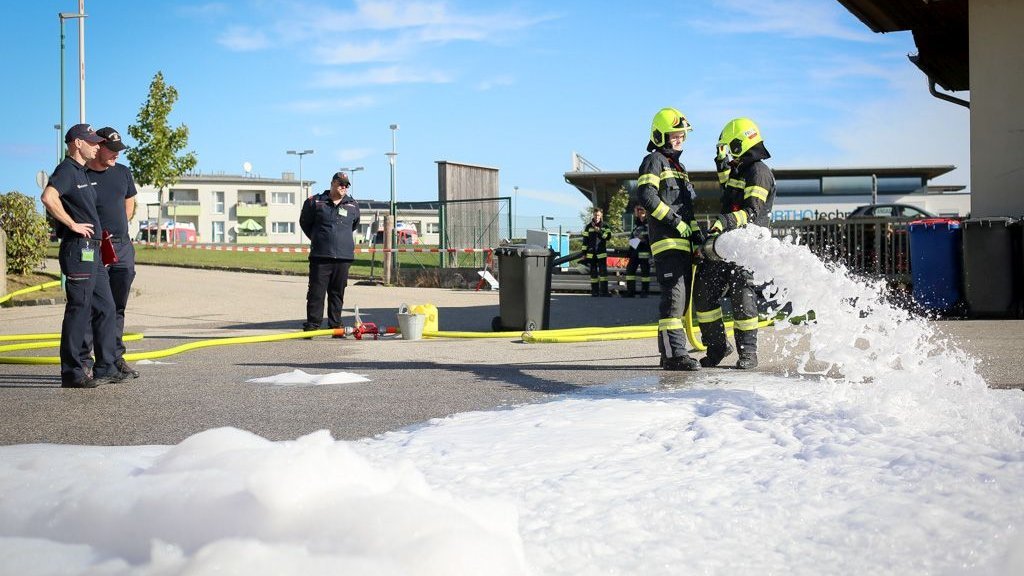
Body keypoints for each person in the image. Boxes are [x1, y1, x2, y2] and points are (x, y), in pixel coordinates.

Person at [40, 124, 124, 387]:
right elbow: (48, 197)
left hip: (93, 251)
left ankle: (105, 367)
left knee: (106, 306)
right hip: (79, 250)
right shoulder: (66, 170)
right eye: (92, 142)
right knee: (79, 309)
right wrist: (72, 224)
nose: (97, 146)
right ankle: (73, 372)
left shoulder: (82, 173)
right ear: (77, 143)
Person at [694, 118, 777, 369]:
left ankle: (748, 353)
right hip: (727, 243)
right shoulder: (740, 169)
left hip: (748, 245)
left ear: (742, 144)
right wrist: (720, 160)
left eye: (732, 147)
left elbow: (751, 211)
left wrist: (723, 221)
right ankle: (717, 346)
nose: (730, 153)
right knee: (704, 292)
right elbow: (727, 185)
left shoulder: (759, 172)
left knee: (743, 296)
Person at [634, 108, 702, 371]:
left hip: (684, 244)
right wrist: (676, 223)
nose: (680, 139)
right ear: (660, 135)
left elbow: (688, 209)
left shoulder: (680, 168)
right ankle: (675, 356)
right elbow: (647, 196)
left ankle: (670, 353)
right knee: (674, 299)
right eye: (675, 135)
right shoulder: (653, 161)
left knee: (681, 301)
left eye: (682, 135)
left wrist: (696, 234)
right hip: (667, 242)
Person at [82, 126, 139, 378]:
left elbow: (130, 199)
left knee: (117, 306)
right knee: (90, 305)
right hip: (94, 247)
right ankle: (85, 359)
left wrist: (122, 226)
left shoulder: (123, 172)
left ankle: (115, 357)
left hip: (122, 246)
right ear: (98, 147)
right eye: (112, 150)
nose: (117, 154)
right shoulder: (81, 174)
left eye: (119, 150)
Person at [299, 171, 361, 333]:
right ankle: (313, 325)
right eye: (341, 184)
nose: (344, 187)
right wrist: (319, 239)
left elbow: (353, 225)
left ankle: (335, 325)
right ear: (332, 183)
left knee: (337, 292)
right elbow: (305, 223)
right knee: (316, 292)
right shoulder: (316, 202)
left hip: (343, 257)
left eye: (346, 185)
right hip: (321, 256)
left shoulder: (353, 205)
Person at [622, 204, 651, 298]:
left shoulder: (649, 224)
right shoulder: (636, 225)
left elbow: (649, 237)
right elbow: (633, 239)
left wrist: (641, 239)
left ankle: (644, 292)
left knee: (645, 273)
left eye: (641, 212)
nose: (639, 214)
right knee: (630, 270)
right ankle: (631, 292)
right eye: (638, 212)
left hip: (644, 251)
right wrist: (629, 252)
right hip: (635, 251)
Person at [583, 208, 612, 296]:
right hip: (591, 253)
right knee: (593, 274)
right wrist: (584, 253)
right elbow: (585, 241)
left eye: (598, 215)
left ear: (601, 215)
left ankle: (604, 292)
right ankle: (594, 292)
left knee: (603, 274)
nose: (596, 217)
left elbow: (608, 237)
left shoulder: (605, 226)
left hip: (601, 253)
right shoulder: (588, 227)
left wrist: (599, 231)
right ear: (593, 215)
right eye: (595, 215)